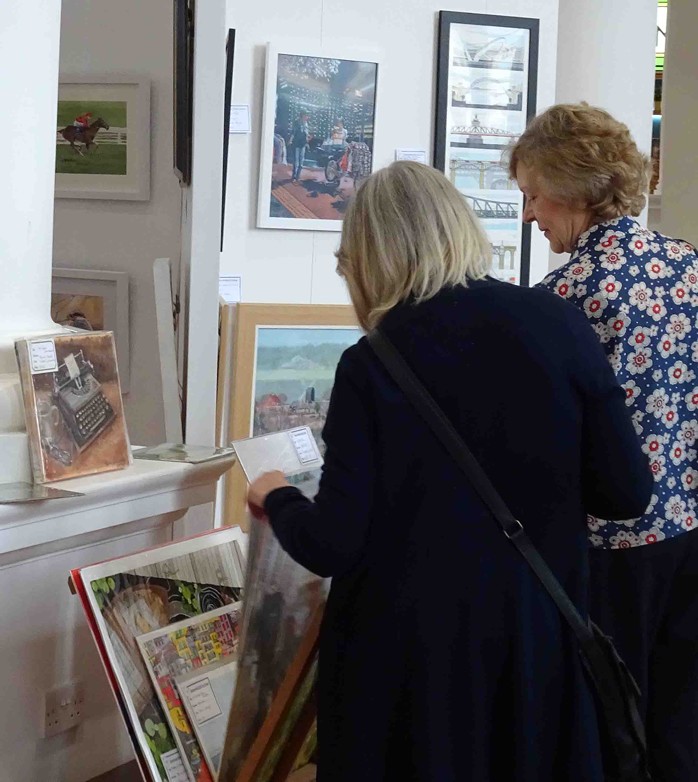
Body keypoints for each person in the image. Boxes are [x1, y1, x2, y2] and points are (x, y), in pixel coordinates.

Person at [248, 160, 652, 781]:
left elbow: (332, 542)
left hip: (409, 672)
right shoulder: (559, 323)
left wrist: (277, 495)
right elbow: (625, 493)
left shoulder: (371, 364)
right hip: (537, 647)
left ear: (369, 257)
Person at [509, 101, 698, 781]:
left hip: (606, 546)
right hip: (687, 529)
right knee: (680, 727)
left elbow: (538, 436)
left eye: (533, 194)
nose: (529, 215)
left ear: (571, 187)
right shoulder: (687, 266)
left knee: (608, 729)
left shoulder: (565, 295)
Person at [289, 110, 311, 182]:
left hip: (303, 144)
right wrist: (290, 140)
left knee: (301, 161)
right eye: (306, 115)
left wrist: (307, 141)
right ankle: (294, 176)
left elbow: (306, 134)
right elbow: (293, 132)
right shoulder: (296, 122)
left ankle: (297, 177)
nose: (307, 117)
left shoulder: (306, 124)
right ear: (302, 115)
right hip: (296, 144)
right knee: (296, 161)